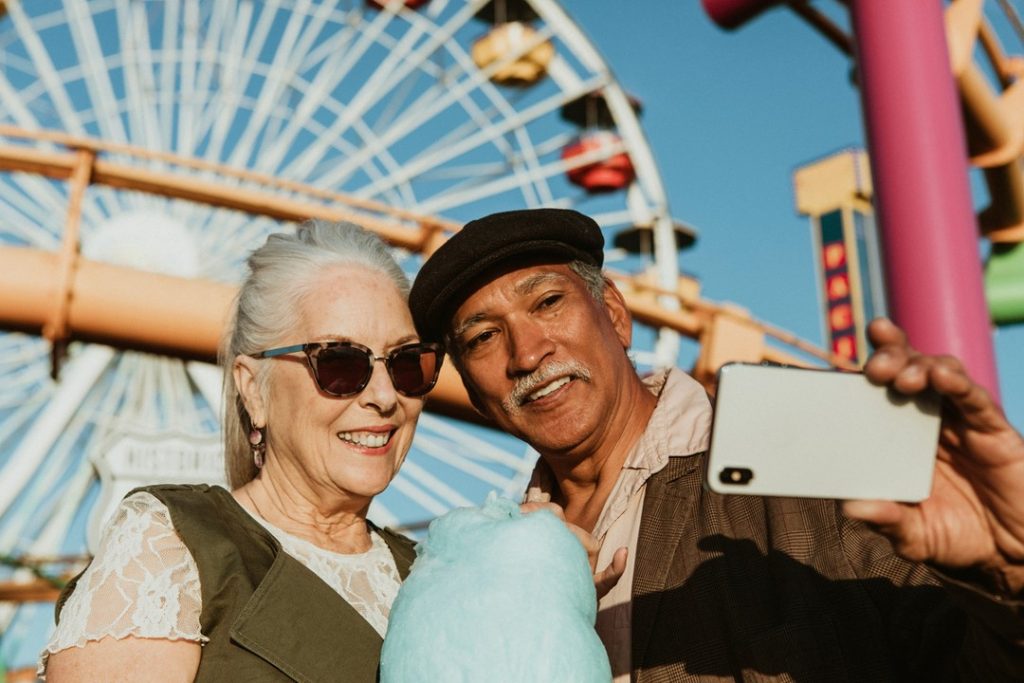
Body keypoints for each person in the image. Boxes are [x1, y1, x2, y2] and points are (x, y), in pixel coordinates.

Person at [409, 207, 1024, 682]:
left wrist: (1008, 574)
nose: (527, 354)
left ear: (616, 315)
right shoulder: (485, 565)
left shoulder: (802, 460)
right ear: (469, 383)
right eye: (484, 338)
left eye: (548, 303)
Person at [41, 220, 444, 682]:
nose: (385, 396)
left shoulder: (436, 575)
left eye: (408, 363)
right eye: (339, 362)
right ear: (253, 389)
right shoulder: (173, 547)